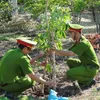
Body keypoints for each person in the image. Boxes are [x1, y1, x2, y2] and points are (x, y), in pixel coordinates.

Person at [50, 23, 100, 89]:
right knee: (70, 61)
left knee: (69, 73)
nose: (70, 35)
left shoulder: (83, 43)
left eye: (71, 33)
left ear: (76, 33)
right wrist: (55, 51)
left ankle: (88, 81)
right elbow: (66, 52)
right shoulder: (78, 41)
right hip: (86, 65)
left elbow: (70, 53)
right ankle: (84, 78)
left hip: (91, 68)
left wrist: (55, 50)